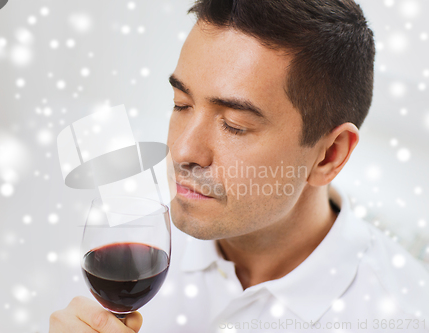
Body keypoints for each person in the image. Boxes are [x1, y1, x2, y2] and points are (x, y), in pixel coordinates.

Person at [49, 0, 429, 332]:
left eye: (235, 125)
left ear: (329, 155)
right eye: (181, 104)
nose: (182, 152)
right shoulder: (125, 256)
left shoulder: (405, 315)